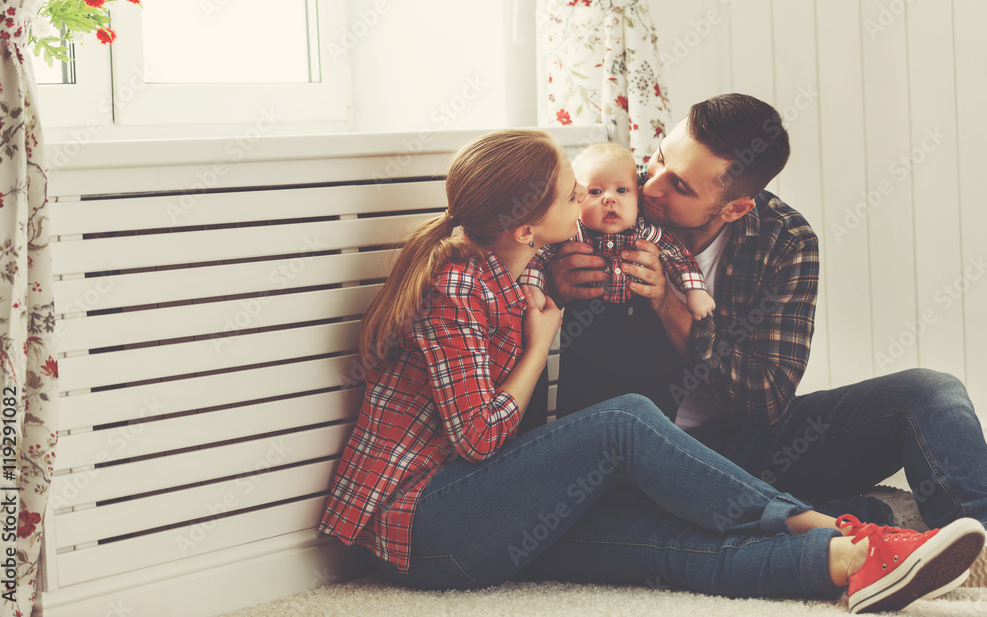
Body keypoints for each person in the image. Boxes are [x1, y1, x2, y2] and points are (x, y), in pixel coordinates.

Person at [315, 128, 985, 614]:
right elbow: (479, 439)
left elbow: (767, 391)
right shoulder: (462, 283)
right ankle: (828, 526)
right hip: (422, 526)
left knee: (657, 544)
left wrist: (663, 297)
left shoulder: (523, 266)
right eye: (572, 191)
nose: (599, 197)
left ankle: (849, 564)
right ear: (529, 227)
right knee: (626, 419)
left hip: (487, 508)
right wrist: (541, 342)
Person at [535, 93, 987, 540]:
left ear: (735, 207)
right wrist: (550, 283)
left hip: (745, 446)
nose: (651, 186)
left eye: (682, 187)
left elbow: (767, 397)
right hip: (636, 451)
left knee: (932, 392)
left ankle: (973, 540)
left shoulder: (784, 239)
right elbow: (492, 253)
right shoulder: (606, 193)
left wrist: (668, 305)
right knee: (622, 510)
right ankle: (846, 517)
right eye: (659, 159)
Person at [520, 142, 714, 319]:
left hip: (639, 322)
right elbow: (539, 256)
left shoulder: (644, 230)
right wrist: (533, 287)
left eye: (622, 190)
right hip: (583, 327)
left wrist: (695, 290)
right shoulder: (572, 232)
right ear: (577, 198)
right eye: (595, 192)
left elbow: (677, 255)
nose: (609, 199)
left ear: (637, 198)